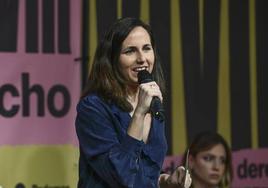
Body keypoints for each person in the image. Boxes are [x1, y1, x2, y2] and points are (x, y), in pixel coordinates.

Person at [75, 17, 190, 188]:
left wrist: (164, 180)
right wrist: (139, 113)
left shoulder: (154, 105)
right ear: (112, 59)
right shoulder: (93, 108)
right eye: (130, 51)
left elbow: (142, 173)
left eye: (147, 48)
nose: (142, 58)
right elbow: (119, 175)